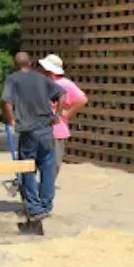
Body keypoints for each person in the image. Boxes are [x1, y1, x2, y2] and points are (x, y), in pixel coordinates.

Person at [1, 51, 65, 222]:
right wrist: (57, 116)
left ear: (15, 65)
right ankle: (46, 205)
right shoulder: (41, 78)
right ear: (30, 64)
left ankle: (34, 208)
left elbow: (6, 101)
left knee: (27, 168)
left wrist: (11, 120)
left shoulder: (12, 79)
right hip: (46, 130)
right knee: (47, 168)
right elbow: (62, 94)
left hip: (29, 131)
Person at [37, 53, 88, 183]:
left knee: (54, 163)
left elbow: (82, 100)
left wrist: (68, 113)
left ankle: (46, 187)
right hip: (39, 128)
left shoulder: (65, 84)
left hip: (57, 130)